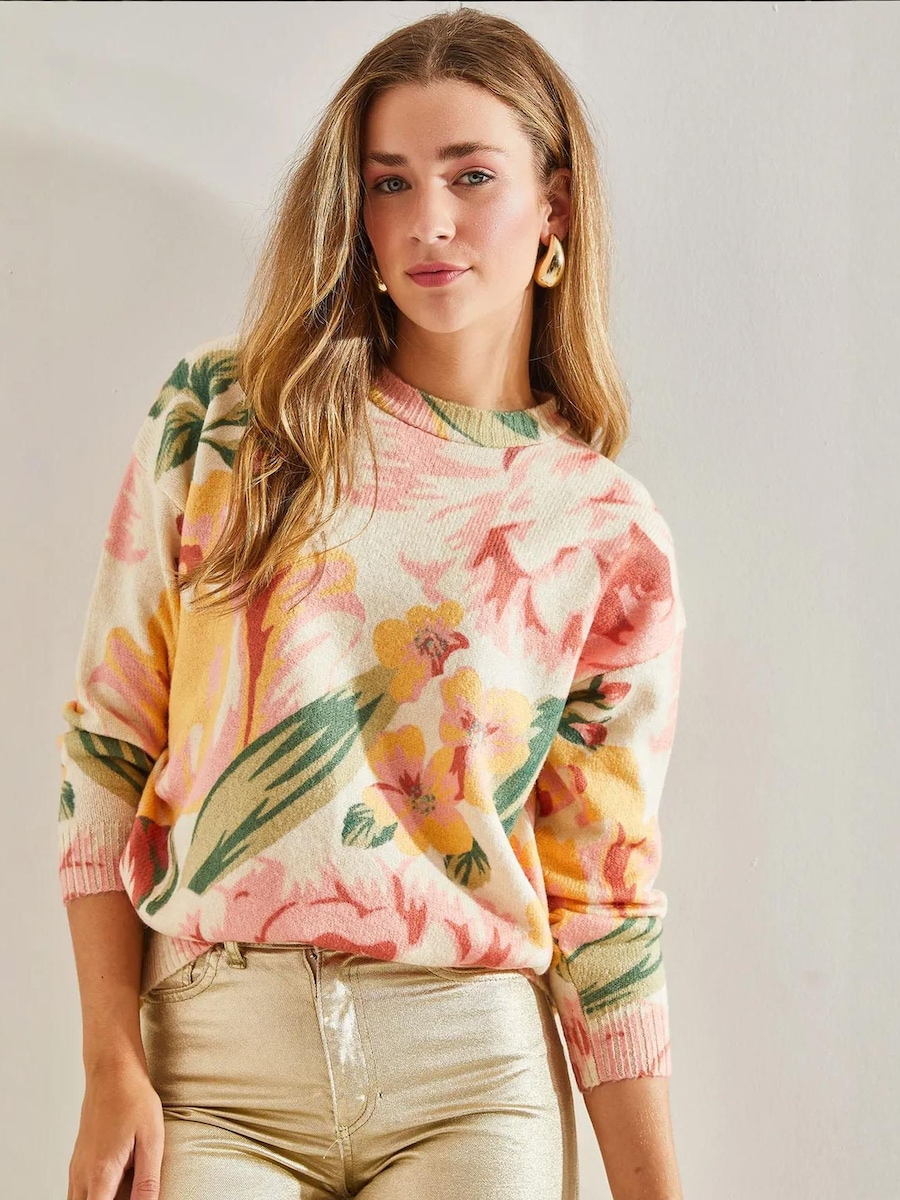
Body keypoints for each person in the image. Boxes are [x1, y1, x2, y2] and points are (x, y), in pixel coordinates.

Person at [59, 8, 687, 1200]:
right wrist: (108, 1057)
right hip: (212, 1066)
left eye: (471, 176)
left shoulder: (603, 528)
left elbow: (603, 895)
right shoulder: (229, 417)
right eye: (391, 182)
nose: (428, 221)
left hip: (473, 1076)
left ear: (555, 205)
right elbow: (107, 744)